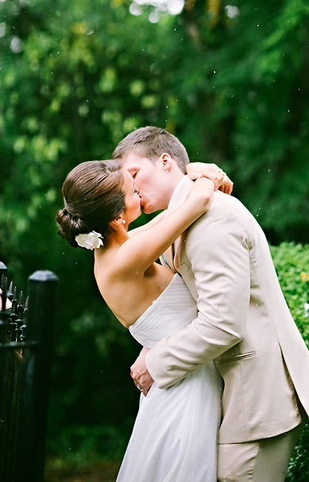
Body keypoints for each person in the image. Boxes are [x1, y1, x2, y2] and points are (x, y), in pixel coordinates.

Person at [113, 127, 309, 482]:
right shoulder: (181, 218)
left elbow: (222, 323)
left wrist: (156, 361)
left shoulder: (212, 219)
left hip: (256, 401)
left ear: (165, 161)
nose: (132, 187)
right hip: (234, 397)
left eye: (135, 173)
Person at [56, 158, 233, 482]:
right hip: (187, 384)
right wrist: (208, 172)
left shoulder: (119, 248)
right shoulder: (126, 257)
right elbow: (199, 201)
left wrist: (190, 171)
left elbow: (172, 214)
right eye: (133, 190)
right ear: (118, 217)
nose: (140, 190)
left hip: (174, 374)